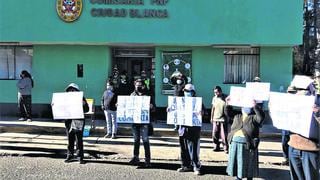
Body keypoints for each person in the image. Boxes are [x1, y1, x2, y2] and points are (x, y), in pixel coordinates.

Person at [225, 98, 265, 180]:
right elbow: (227, 113)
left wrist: (255, 106)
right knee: (237, 165)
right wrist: (227, 103)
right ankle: (238, 178)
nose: (245, 108)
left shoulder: (254, 117)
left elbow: (261, 117)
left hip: (248, 144)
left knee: (249, 165)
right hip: (235, 143)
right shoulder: (237, 115)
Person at [287, 87, 320, 180]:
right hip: (293, 146)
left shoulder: (317, 100)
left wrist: (318, 112)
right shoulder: (293, 101)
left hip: (310, 148)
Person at [174, 84, 202, 175]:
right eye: (185, 91)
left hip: (193, 130)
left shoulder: (197, 102)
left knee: (193, 150)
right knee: (183, 148)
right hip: (182, 129)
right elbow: (175, 110)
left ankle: (196, 167)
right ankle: (185, 165)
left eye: (189, 91)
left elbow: (204, 112)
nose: (187, 93)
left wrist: (202, 112)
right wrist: (169, 110)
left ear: (193, 92)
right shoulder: (180, 101)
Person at [129, 79, 153, 168]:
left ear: (143, 86)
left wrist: (151, 107)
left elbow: (153, 108)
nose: (138, 87)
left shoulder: (148, 95)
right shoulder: (132, 95)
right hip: (135, 121)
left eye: (140, 85)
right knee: (136, 140)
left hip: (144, 122)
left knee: (145, 140)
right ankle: (136, 157)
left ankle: (147, 160)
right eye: (136, 85)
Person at [64, 83, 89, 164]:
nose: (71, 91)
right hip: (69, 121)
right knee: (70, 139)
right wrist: (54, 105)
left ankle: (80, 157)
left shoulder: (81, 98)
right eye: (70, 90)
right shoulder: (65, 99)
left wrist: (84, 104)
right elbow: (61, 109)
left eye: (73, 89)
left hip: (78, 120)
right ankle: (70, 155)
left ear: (77, 90)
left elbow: (87, 109)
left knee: (79, 139)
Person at [281, 86, 297, 166]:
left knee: (293, 143)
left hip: (295, 126)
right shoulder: (284, 101)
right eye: (290, 92)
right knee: (284, 142)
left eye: (293, 92)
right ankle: (286, 158)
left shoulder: (299, 102)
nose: (291, 94)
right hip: (285, 125)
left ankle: (292, 159)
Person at [211, 86, 228, 153]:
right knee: (215, 134)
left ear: (220, 91)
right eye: (214, 92)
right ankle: (216, 146)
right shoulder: (214, 98)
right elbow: (213, 108)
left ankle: (225, 147)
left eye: (217, 92)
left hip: (223, 119)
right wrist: (211, 117)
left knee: (224, 135)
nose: (216, 94)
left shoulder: (226, 97)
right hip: (215, 118)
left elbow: (229, 107)